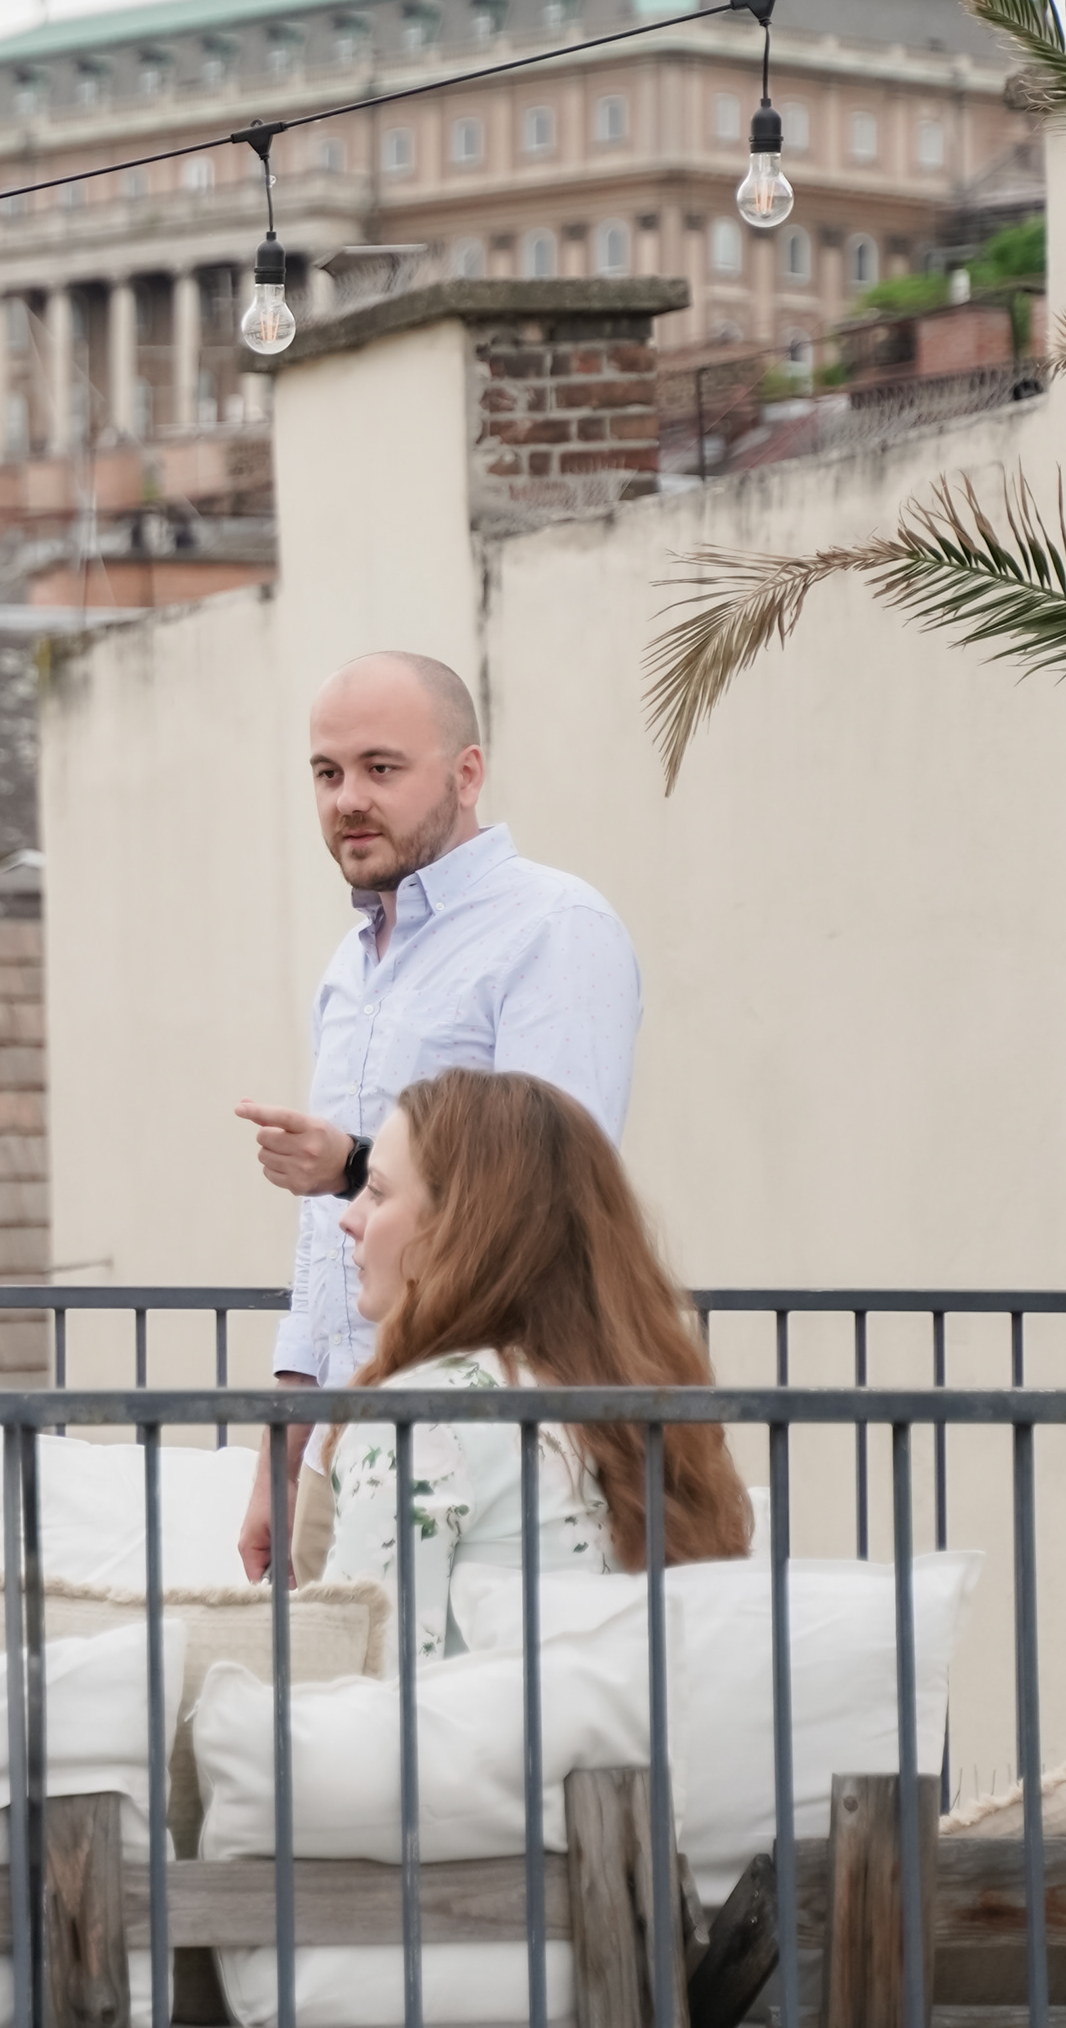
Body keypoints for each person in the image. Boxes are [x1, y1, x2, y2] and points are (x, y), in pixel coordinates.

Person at [229, 652, 641, 1582]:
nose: (348, 800)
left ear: (467, 773)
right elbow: (323, 1245)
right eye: (327, 773)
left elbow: (551, 1191)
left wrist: (351, 1165)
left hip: (493, 1436)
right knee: (335, 1670)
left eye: (381, 768)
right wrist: (283, 1452)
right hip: (351, 1436)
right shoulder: (351, 965)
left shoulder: (555, 927)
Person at [318, 1068, 750, 1655]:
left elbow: (363, 1678)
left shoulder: (412, 1424)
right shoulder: (641, 1405)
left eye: (378, 1191)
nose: (349, 1217)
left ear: (461, 1228)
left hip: (479, 1718)